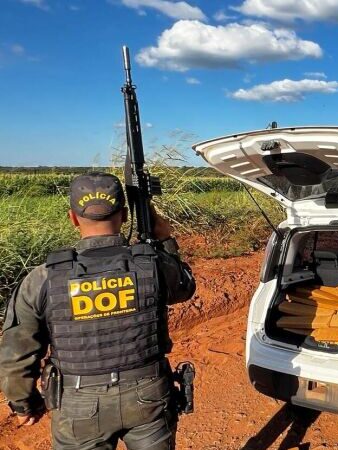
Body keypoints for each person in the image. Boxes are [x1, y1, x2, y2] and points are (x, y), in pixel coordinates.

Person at [0, 172, 196, 449]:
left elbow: (16, 353)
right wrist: (164, 240)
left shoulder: (43, 278)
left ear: (73, 217)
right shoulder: (152, 264)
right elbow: (185, 287)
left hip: (78, 403)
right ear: (125, 215)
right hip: (148, 393)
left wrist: (23, 403)